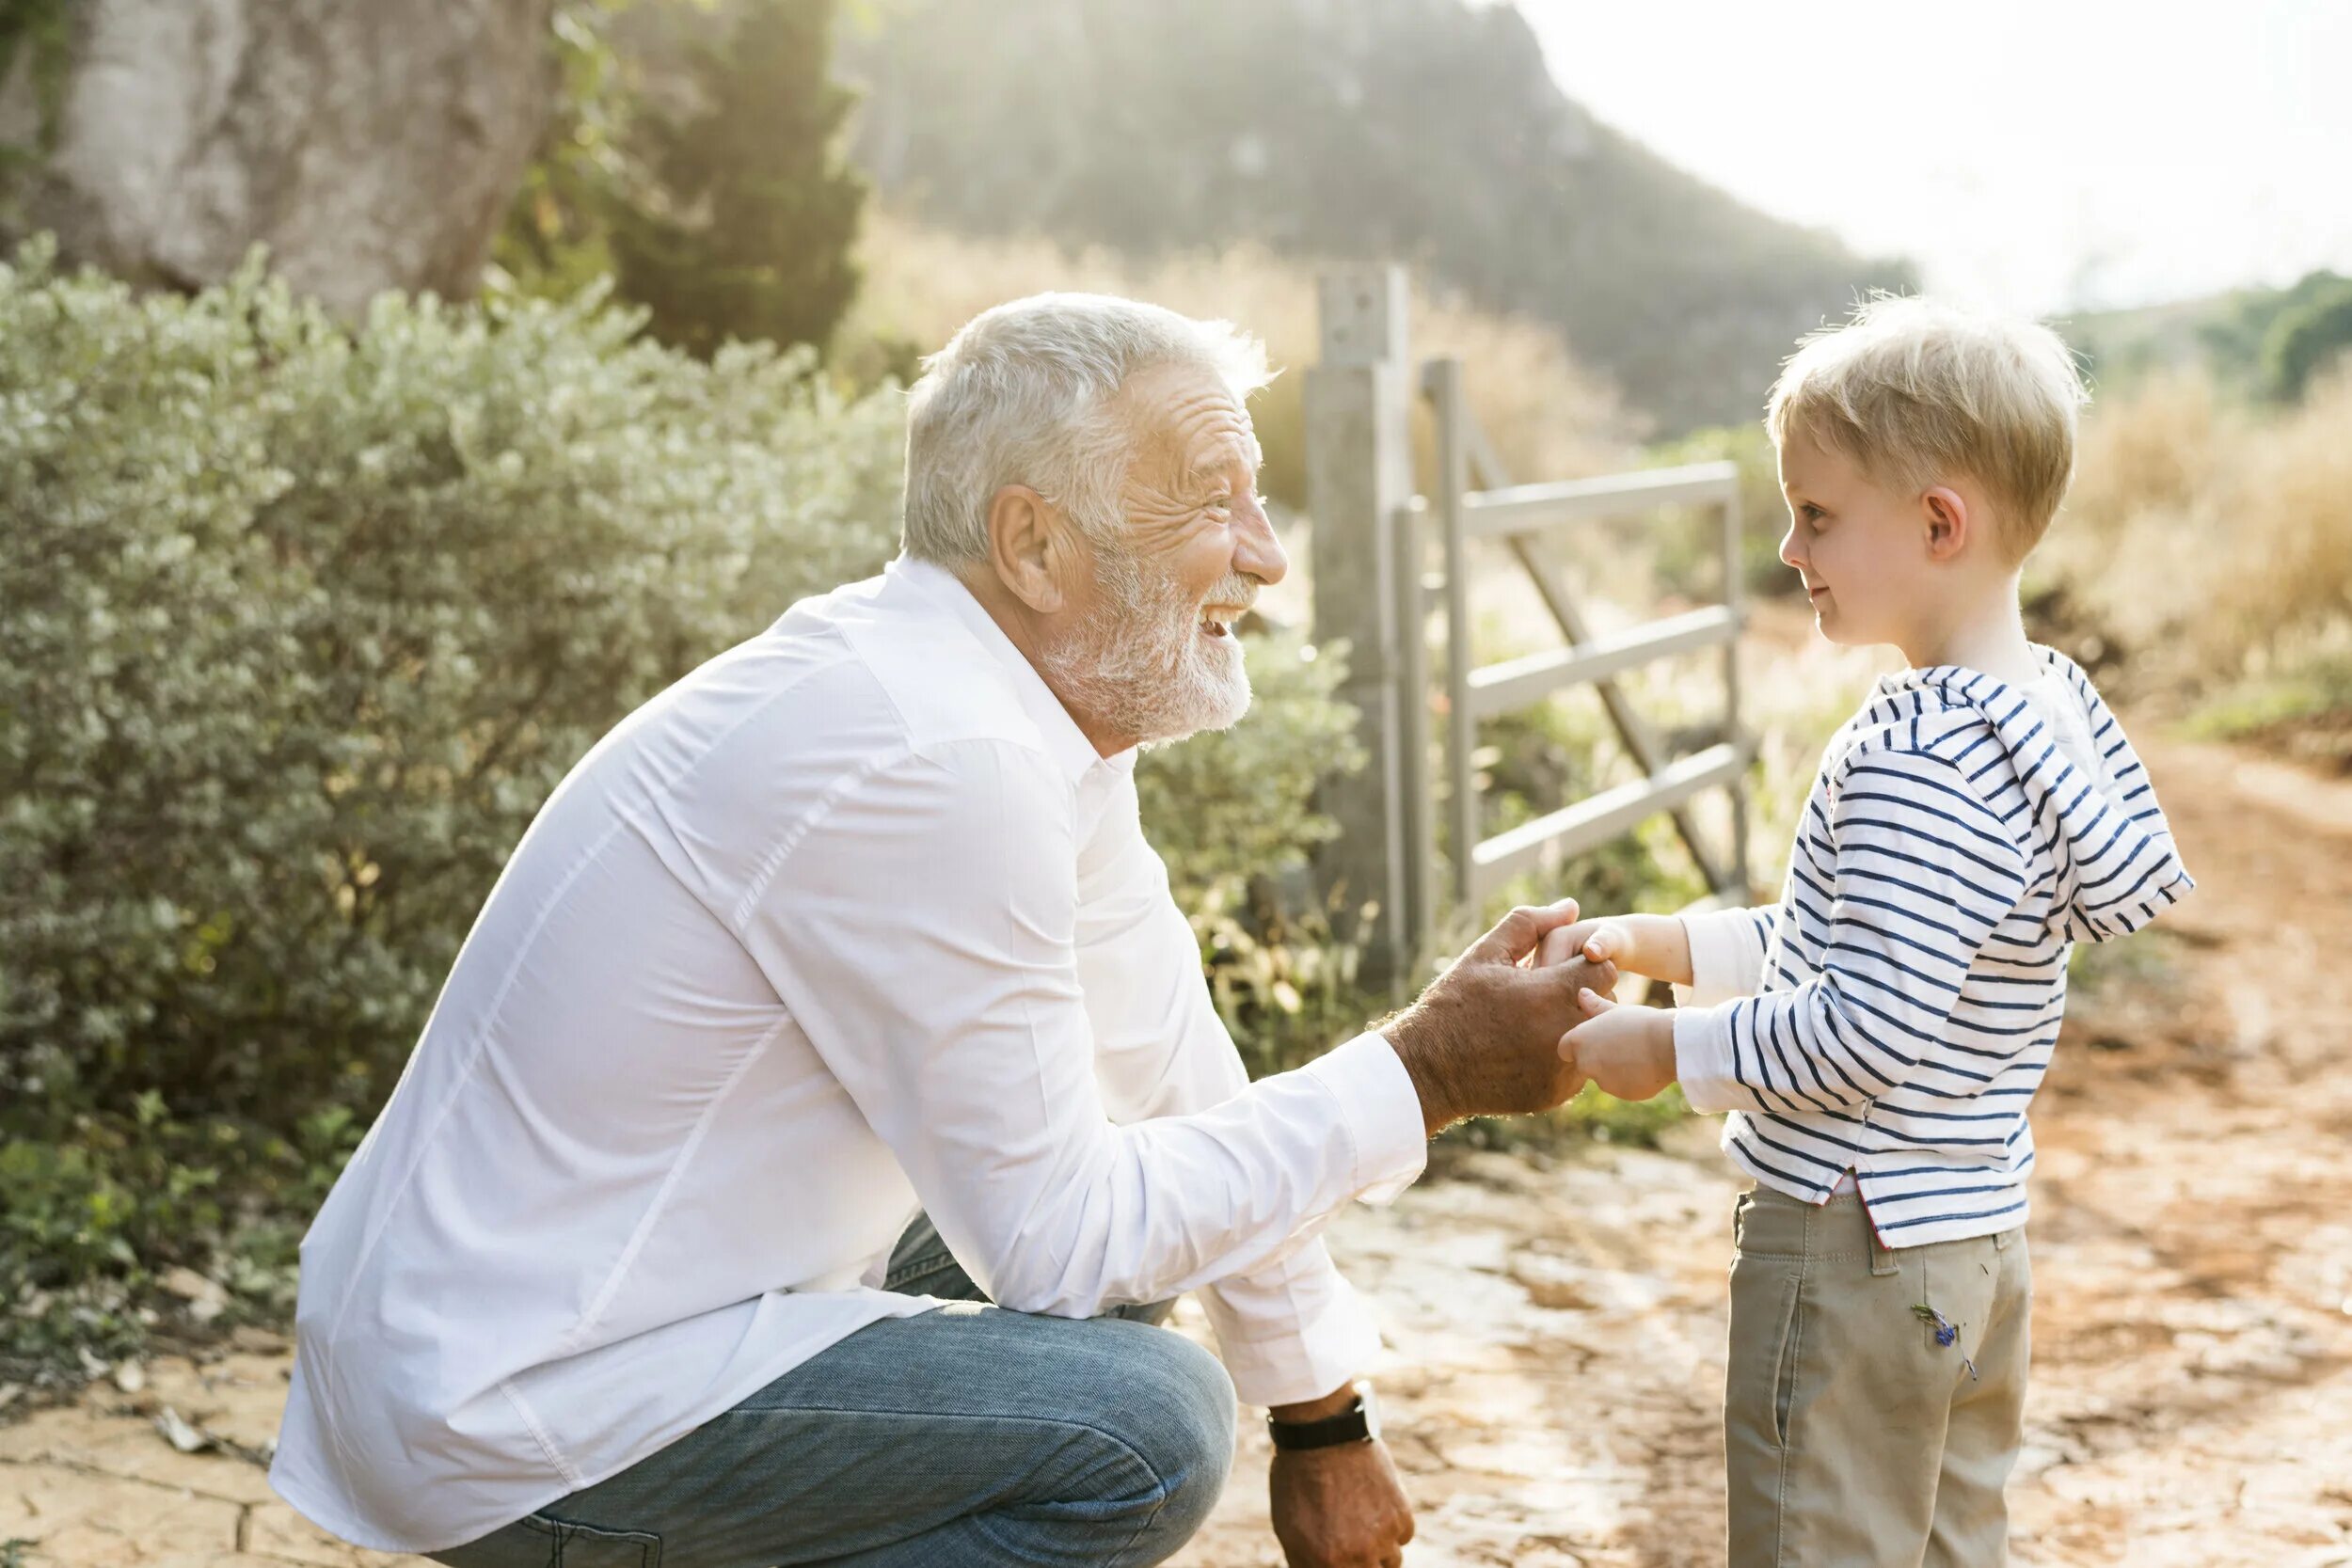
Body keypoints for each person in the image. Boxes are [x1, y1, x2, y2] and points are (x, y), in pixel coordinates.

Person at [266, 292, 1615, 1568]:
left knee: (1155, 1215)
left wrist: (1324, 1419)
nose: (1265, 555)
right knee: (1143, 1427)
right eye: (1216, 502)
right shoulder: (936, 752)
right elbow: (1059, 1242)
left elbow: (1171, 1067)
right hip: (515, 1397)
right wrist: (1430, 1071)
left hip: (605, 1298)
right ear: (1036, 546)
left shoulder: (1008, 707)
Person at [1553, 296, 2195, 1565]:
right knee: (1954, 1543)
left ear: (1939, 523)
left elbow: (1868, 1024)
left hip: (1851, 1245)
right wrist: (1675, 947)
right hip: (1968, 1247)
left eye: (1818, 514)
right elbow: (1877, 941)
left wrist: (1668, 1052)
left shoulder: (1917, 758)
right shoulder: (2039, 716)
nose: (1791, 548)